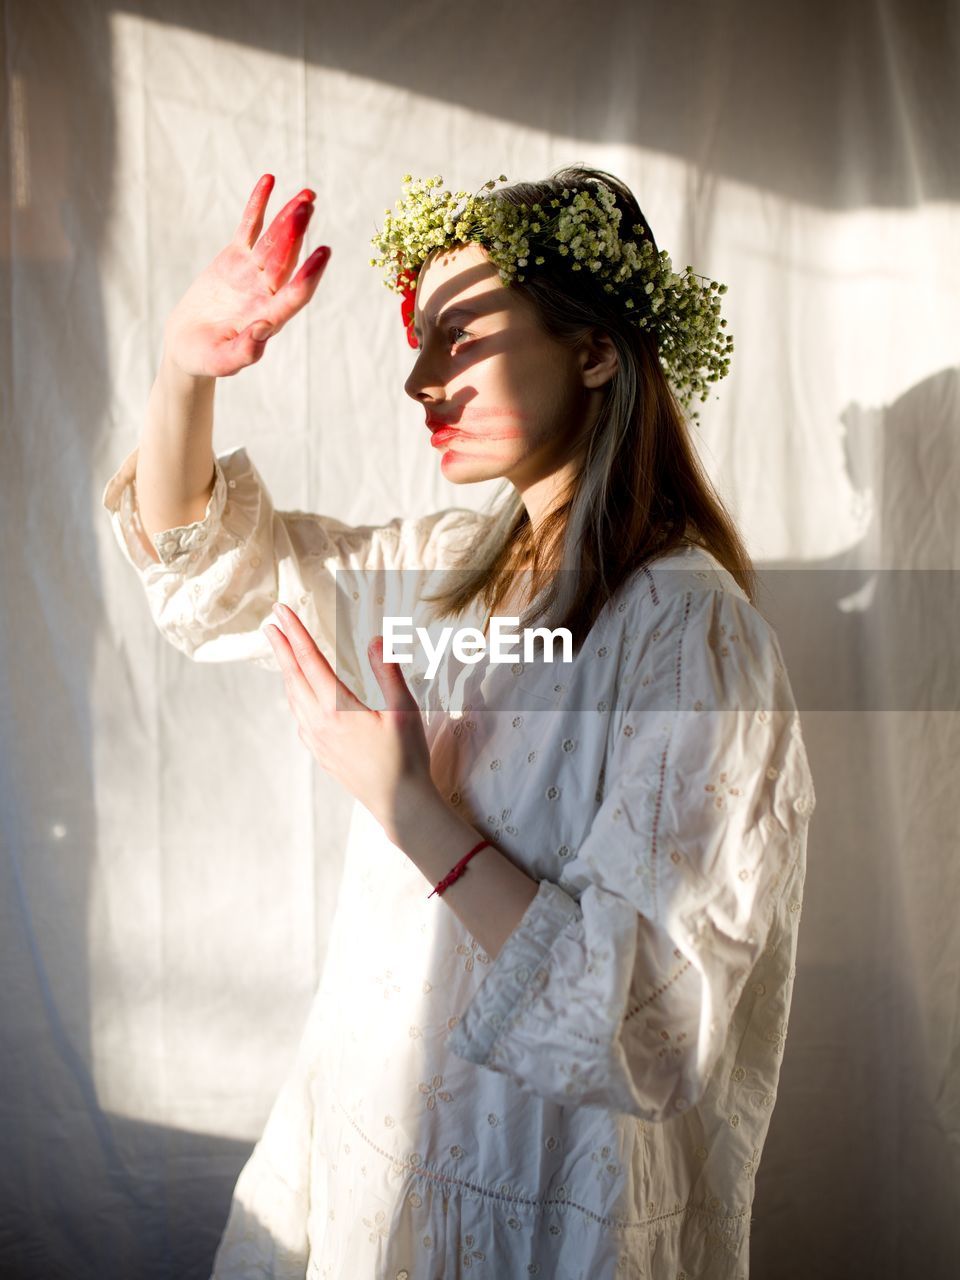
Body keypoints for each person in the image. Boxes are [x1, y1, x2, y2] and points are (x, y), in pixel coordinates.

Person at [102, 166, 816, 1279]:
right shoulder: (443, 572)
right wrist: (183, 372)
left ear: (593, 351)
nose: (419, 380)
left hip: (542, 1212)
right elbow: (214, 572)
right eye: (419, 339)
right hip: (372, 1164)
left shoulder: (691, 638)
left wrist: (412, 813)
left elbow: (648, 1022)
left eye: (460, 338)